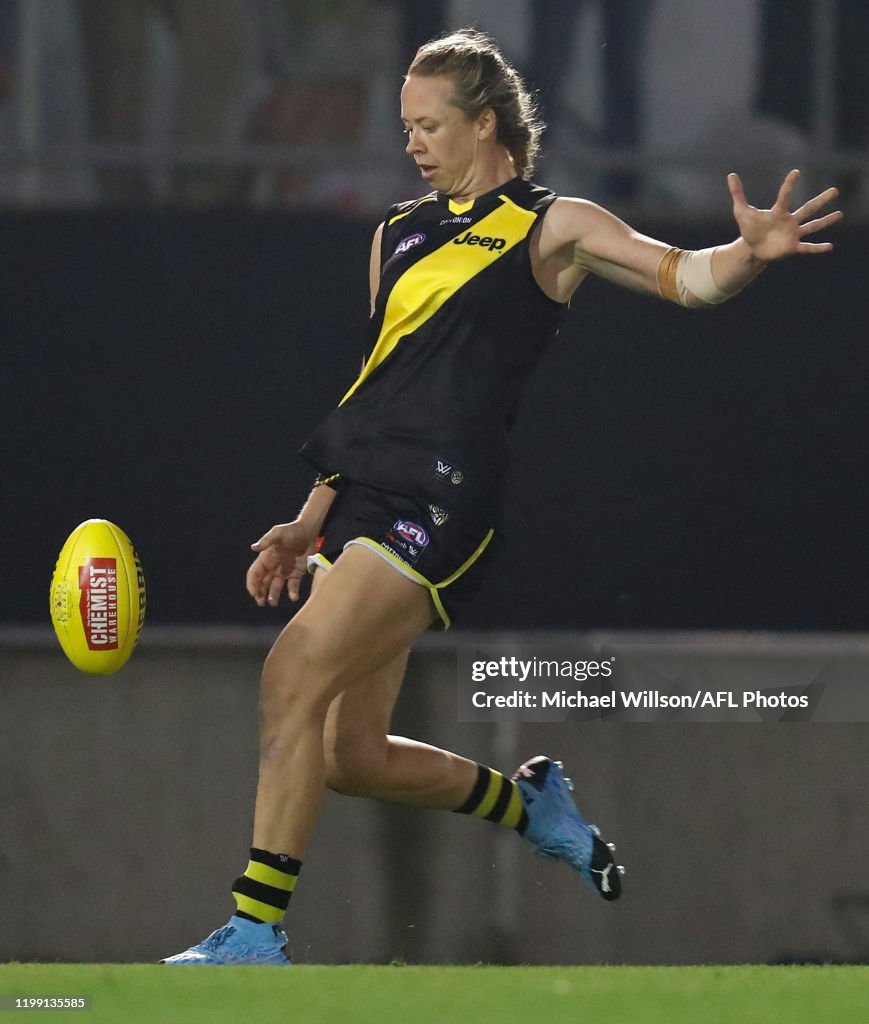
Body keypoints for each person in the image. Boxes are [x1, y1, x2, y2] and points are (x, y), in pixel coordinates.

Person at [162, 28, 841, 966]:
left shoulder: (551, 225)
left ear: (486, 124)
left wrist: (747, 252)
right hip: (363, 498)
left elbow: (685, 280)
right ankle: (529, 805)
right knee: (347, 757)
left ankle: (254, 931)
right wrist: (310, 516)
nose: (412, 143)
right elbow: (376, 386)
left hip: (440, 501)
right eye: (406, 127)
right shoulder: (396, 231)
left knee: (291, 676)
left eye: (430, 125)